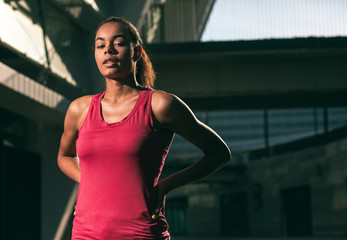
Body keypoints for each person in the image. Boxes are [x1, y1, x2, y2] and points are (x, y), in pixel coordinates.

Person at [57, 16, 231, 239]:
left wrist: (167, 185)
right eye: (101, 45)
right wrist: (91, 179)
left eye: (118, 43)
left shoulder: (161, 105)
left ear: (136, 52)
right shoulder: (78, 109)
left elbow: (219, 153)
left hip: (141, 233)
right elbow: (64, 155)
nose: (108, 50)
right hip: (85, 232)